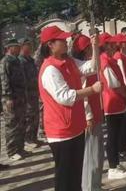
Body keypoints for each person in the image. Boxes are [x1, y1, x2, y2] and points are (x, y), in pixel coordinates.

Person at [38, 26, 102, 191]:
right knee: (65, 178)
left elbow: (92, 67)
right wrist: (92, 90)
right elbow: (65, 97)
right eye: (62, 39)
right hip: (61, 132)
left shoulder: (69, 61)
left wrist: (95, 47)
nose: (67, 41)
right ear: (50, 44)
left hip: (75, 127)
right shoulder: (50, 69)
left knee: (75, 176)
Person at [71, 34, 104, 191]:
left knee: (97, 155)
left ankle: (95, 186)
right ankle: (90, 187)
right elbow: (83, 97)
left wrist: (95, 46)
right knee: (91, 157)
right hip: (88, 117)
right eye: (88, 48)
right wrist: (88, 116)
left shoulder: (82, 64)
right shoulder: (78, 68)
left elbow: (95, 65)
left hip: (96, 113)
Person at [99, 33, 126, 180]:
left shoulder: (109, 59)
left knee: (116, 134)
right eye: (111, 44)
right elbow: (113, 84)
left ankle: (116, 163)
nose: (114, 46)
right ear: (105, 45)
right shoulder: (104, 61)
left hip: (117, 102)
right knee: (112, 137)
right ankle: (112, 167)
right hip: (112, 103)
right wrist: (125, 95)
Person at [0, 38, 27, 162]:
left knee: (20, 123)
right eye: (16, 46)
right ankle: (11, 151)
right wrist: (8, 97)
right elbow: (5, 81)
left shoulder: (16, 60)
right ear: (9, 48)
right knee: (11, 125)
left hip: (20, 96)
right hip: (10, 98)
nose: (18, 48)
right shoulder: (5, 61)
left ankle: (20, 149)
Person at [19, 37, 41, 150]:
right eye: (28, 45)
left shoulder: (30, 59)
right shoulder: (20, 61)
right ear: (22, 46)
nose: (31, 46)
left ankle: (33, 137)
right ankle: (28, 139)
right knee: (29, 116)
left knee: (35, 116)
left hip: (34, 91)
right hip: (27, 93)